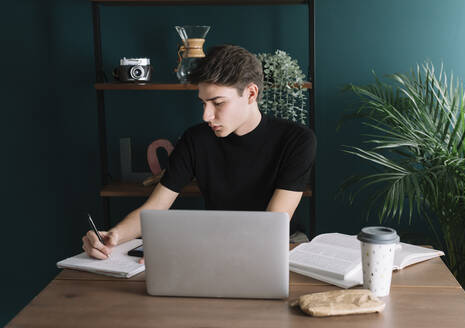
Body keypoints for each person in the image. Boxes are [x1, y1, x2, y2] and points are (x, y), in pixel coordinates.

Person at [82, 45, 317, 260]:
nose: (206, 116)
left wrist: (187, 250)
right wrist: (112, 236)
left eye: (218, 102)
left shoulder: (297, 140)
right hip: (213, 245)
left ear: (251, 94)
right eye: (203, 103)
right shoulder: (196, 139)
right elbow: (153, 208)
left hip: (283, 244)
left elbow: (271, 225)